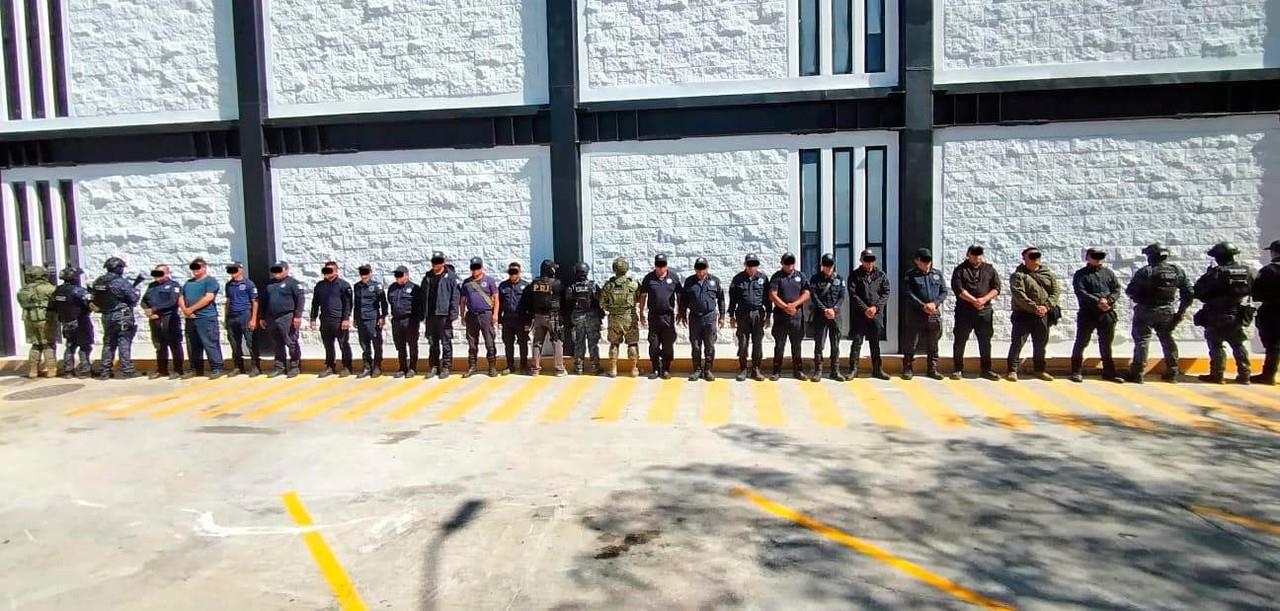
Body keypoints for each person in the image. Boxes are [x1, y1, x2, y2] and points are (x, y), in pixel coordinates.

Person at [1126, 243, 1192, 383]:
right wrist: (1180, 313)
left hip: (1145, 309)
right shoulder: (1176, 271)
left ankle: (1137, 373)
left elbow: (1130, 290)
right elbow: (1189, 293)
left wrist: (1138, 298)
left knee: (1142, 340)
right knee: (1167, 339)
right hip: (1167, 310)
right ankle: (1173, 372)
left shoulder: (1146, 271)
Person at [1193, 242, 1255, 384]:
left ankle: (1217, 374)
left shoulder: (1216, 273)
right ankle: (1245, 374)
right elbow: (1253, 289)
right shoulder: (1246, 271)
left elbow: (1198, 291)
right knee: (1238, 344)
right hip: (1236, 312)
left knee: (1216, 344)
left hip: (1216, 313)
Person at [1069, 248, 1123, 383]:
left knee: (1106, 344)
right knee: (1081, 342)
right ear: (1087, 257)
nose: (1098, 259)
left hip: (1107, 314)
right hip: (1088, 314)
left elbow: (1116, 289)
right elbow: (1081, 292)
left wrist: (1109, 301)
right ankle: (1076, 371)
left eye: (1100, 256)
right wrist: (1098, 301)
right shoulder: (1081, 274)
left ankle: (1109, 373)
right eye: (1094, 256)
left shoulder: (1108, 273)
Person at [1006, 247, 1060, 381]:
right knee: (1018, 343)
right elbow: (1019, 295)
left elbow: (1056, 292)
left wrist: (1046, 307)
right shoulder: (1018, 275)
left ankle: (1039, 369)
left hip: (1043, 314)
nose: (1035, 258)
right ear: (1024, 258)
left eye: (1037, 255)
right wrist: (1035, 307)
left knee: (1040, 344)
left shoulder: (1048, 274)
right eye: (1031, 256)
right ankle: (1012, 370)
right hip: (1023, 314)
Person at [950, 245, 1001, 380]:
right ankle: (957, 369)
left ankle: (986, 369)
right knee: (960, 340)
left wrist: (983, 300)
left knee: (985, 341)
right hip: (964, 311)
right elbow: (958, 288)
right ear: (968, 254)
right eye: (974, 254)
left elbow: (996, 288)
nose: (976, 257)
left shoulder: (989, 269)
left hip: (984, 311)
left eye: (979, 254)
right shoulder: (960, 270)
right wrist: (974, 301)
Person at [92, 257, 142, 379]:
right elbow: (133, 298)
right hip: (121, 315)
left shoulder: (99, 281)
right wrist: (136, 290)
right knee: (123, 341)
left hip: (106, 316)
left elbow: (95, 299)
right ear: (118, 268)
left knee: (108, 342)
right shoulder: (120, 282)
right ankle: (127, 369)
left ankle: (105, 370)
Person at [902, 248, 946, 380]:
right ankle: (908, 368)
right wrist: (923, 305)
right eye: (924, 260)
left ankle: (932, 369)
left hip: (933, 313)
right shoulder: (911, 275)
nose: (927, 263)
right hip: (916, 313)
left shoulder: (936, 274)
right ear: (917, 261)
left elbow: (943, 292)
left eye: (929, 260)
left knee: (933, 342)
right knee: (911, 342)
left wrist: (935, 304)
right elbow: (908, 293)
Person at [678, 257, 724, 381]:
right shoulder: (689, 281)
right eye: (698, 268)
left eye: (703, 268)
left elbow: (721, 299)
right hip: (694, 318)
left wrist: (722, 316)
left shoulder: (715, 281)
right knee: (696, 346)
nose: (700, 271)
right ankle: (697, 370)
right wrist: (682, 314)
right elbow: (683, 300)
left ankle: (708, 370)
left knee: (709, 345)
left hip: (709, 317)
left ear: (707, 268)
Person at [847, 249, 891, 380]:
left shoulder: (881, 275)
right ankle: (853, 369)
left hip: (875, 314)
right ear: (861, 260)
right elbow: (853, 294)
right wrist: (865, 309)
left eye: (871, 260)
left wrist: (875, 308)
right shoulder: (855, 275)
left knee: (875, 342)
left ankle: (877, 369)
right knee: (857, 342)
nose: (869, 262)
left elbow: (886, 292)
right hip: (860, 314)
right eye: (866, 260)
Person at [519, 259, 567, 376]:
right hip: (553, 317)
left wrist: (528, 317)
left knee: (537, 342)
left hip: (538, 317)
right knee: (557, 342)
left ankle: (535, 369)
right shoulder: (557, 284)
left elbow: (527, 300)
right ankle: (559, 369)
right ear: (550, 270)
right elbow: (565, 300)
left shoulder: (534, 284)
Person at [180, 258, 225, 379]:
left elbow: (208, 298)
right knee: (192, 345)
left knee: (210, 343)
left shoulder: (210, 281)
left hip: (206, 318)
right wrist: (186, 311)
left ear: (204, 267)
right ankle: (195, 369)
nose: (195, 270)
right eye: (193, 267)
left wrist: (191, 309)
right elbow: (181, 297)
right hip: (190, 319)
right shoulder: (188, 283)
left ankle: (217, 368)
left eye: (197, 267)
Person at [768, 252, 810, 381]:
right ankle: (776, 371)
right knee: (779, 344)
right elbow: (772, 295)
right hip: (781, 316)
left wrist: (794, 305)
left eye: (791, 262)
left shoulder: (800, 276)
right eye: (786, 263)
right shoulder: (777, 277)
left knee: (796, 345)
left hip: (796, 316)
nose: (789, 265)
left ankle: (798, 371)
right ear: (782, 263)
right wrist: (785, 307)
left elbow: (807, 293)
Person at [260, 261, 305, 378]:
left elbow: (300, 300)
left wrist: (298, 316)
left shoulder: (293, 283)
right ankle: (280, 366)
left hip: (287, 316)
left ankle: (295, 366)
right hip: (271, 317)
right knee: (276, 343)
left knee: (291, 342)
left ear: (286, 270)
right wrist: (262, 317)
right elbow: (264, 301)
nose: (276, 273)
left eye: (279, 270)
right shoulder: (269, 285)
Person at [728, 253, 769, 381]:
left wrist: (769, 314)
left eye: (754, 264)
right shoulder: (737, 279)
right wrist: (731, 315)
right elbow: (732, 299)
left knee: (757, 342)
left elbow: (768, 298)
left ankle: (756, 369)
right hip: (742, 313)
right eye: (749, 264)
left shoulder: (763, 278)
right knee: (743, 342)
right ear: (745, 264)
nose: (752, 267)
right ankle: (743, 368)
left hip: (758, 313)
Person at [639, 254, 680, 379]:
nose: (661, 268)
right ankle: (656, 368)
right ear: (655, 265)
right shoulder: (649, 278)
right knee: (654, 344)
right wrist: (641, 312)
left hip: (668, 316)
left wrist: (681, 312)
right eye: (658, 265)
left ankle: (666, 368)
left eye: (663, 265)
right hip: (654, 317)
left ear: (666, 265)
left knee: (668, 345)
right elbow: (643, 296)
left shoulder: (673, 277)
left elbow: (679, 295)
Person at [598, 257, 640, 378]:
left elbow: (602, 303)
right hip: (629, 317)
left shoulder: (608, 286)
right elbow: (638, 298)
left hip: (614, 318)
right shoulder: (633, 284)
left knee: (614, 343)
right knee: (632, 343)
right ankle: (633, 370)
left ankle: (613, 370)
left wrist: (611, 309)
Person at [310, 261, 354, 377]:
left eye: (330, 270)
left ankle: (347, 367)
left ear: (336, 271)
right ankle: (330, 366)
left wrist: (346, 319)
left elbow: (348, 304)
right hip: (325, 320)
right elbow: (315, 303)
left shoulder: (343, 285)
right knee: (328, 345)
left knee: (343, 344)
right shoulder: (320, 285)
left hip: (339, 320)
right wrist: (313, 318)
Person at [141, 264, 184, 380]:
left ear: (166, 273)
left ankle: (178, 370)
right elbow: (144, 301)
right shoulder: (152, 286)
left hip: (169, 318)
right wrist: (147, 311)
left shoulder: (173, 286)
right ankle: (162, 370)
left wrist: (154, 309)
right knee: (159, 345)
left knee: (174, 344)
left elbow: (172, 301)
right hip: (155, 319)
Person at [421, 251, 460, 379]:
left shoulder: (450, 277)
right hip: (431, 315)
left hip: (444, 315)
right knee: (432, 343)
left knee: (446, 342)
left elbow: (455, 296)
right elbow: (423, 297)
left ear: (443, 262)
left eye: (438, 261)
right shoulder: (427, 277)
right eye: (434, 261)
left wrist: (453, 313)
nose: (435, 264)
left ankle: (446, 367)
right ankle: (434, 367)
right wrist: (423, 314)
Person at [460, 257, 500, 378]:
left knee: (489, 341)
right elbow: (462, 300)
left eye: (477, 267)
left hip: (486, 314)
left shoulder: (489, 281)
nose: (475, 270)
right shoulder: (466, 282)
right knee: (472, 342)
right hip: (472, 315)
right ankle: (472, 367)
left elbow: (496, 299)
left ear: (481, 267)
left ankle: (492, 367)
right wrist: (462, 315)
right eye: (473, 267)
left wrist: (495, 314)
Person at [808, 253, 845, 381]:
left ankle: (835, 371)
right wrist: (825, 309)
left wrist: (834, 309)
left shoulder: (839, 279)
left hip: (835, 316)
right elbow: (814, 296)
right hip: (820, 315)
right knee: (819, 344)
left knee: (835, 344)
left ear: (833, 265)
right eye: (826, 265)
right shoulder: (815, 279)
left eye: (830, 265)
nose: (828, 268)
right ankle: (818, 371)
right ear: (822, 266)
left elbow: (842, 297)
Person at [51, 266, 93, 378]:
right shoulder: (79, 291)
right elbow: (90, 305)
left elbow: (54, 306)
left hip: (66, 322)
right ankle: (85, 370)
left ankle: (68, 370)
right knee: (85, 346)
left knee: (70, 346)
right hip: (80, 322)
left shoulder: (58, 291)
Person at [16, 264, 56, 378]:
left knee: (35, 345)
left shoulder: (24, 290)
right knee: (47, 343)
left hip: (29, 319)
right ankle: (51, 370)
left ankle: (33, 371)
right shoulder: (48, 288)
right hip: (44, 318)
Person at [567, 262, 604, 375]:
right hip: (591, 317)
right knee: (593, 343)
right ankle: (595, 367)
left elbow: (568, 302)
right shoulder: (592, 286)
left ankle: (579, 367)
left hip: (577, 318)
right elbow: (600, 301)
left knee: (579, 342)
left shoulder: (572, 287)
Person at [353, 264, 388, 378]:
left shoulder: (377, 286)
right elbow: (356, 304)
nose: (364, 275)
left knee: (377, 343)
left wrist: (383, 317)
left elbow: (383, 303)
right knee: (364, 344)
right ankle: (367, 366)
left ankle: (377, 366)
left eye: (366, 272)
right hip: (361, 319)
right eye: (362, 273)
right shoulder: (357, 286)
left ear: (370, 273)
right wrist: (355, 318)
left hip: (373, 319)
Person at [1252, 239, 1280, 385]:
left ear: (1275, 252)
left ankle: (1268, 376)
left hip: (1273, 312)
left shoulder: (1269, 271)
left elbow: (1257, 293)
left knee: (1273, 345)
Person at [223, 262, 258, 377]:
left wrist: (253, 319)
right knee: (234, 343)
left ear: (241, 270)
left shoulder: (248, 284)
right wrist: (225, 318)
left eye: (234, 270)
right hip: (232, 317)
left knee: (250, 342)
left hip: (245, 315)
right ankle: (238, 366)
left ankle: (255, 367)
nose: (232, 272)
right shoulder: (229, 285)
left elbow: (255, 302)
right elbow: (227, 302)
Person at [386, 265, 421, 378]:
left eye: (400, 275)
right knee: (400, 345)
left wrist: (417, 320)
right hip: (396, 321)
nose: (397, 278)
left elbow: (419, 306)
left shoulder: (414, 288)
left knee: (412, 344)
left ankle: (412, 368)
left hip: (410, 320)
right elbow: (390, 302)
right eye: (396, 275)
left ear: (406, 275)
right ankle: (402, 368)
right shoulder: (392, 288)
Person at [498, 262, 531, 375]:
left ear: (519, 272)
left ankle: (523, 365)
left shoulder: (526, 286)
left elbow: (529, 305)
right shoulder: (503, 286)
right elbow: (500, 304)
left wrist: (529, 321)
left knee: (523, 343)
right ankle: (510, 366)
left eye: (515, 271)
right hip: (507, 320)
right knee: (508, 344)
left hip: (521, 320)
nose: (513, 274)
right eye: (511, 271)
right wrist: (498, 319)